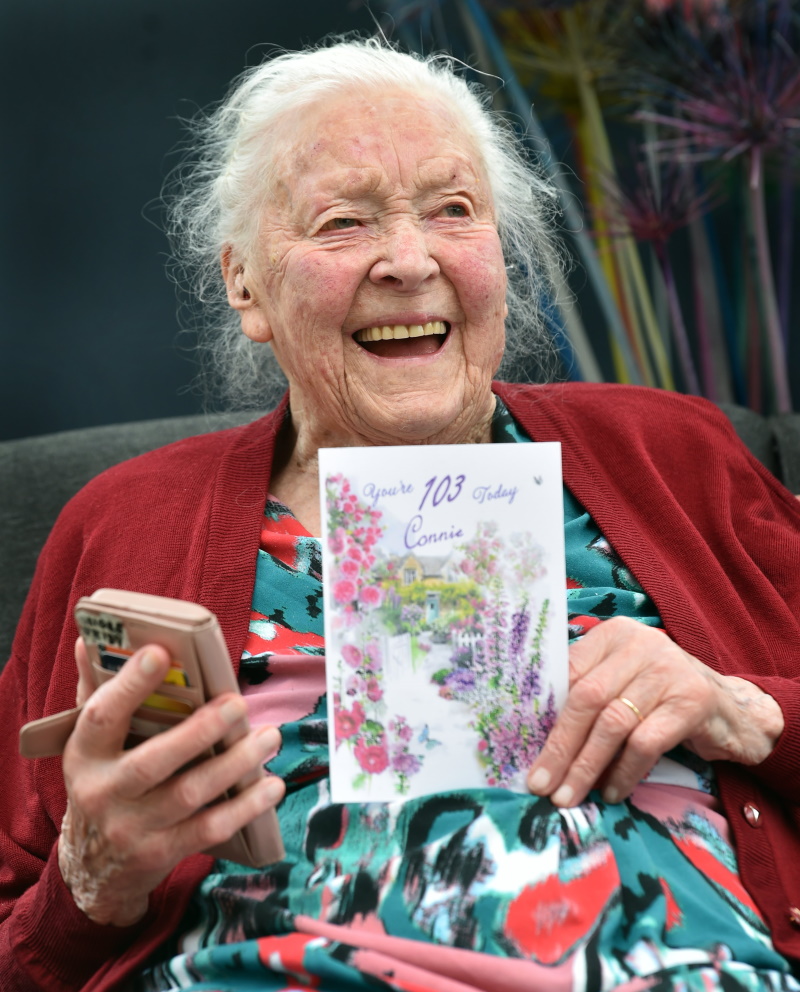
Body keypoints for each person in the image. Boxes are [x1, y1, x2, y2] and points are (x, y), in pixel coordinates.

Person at [1, 37, 799, 992]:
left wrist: (738, 708)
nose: (409, 261)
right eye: (343, 223)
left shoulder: (673, 455)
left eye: (453, 210)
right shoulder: (122, 524)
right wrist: (91, 884)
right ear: (244, 285)